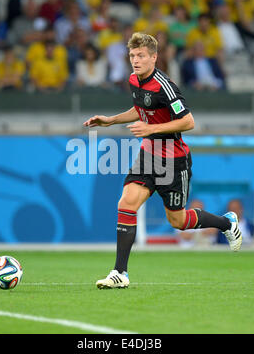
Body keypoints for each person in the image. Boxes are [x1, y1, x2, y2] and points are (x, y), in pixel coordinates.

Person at [83, 32, 242, 289]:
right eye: (132, 55)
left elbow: (188, 121)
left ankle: (227, 223)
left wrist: (151, 129)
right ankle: (119, 273)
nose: (135, 60)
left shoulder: (165, 85)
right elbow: (141, 108)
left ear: (154, 57)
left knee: (177, 221)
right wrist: (111, 119)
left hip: (173, 160)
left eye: (141, 56)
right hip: (148, 156)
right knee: (126, 203)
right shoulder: (134, 80)